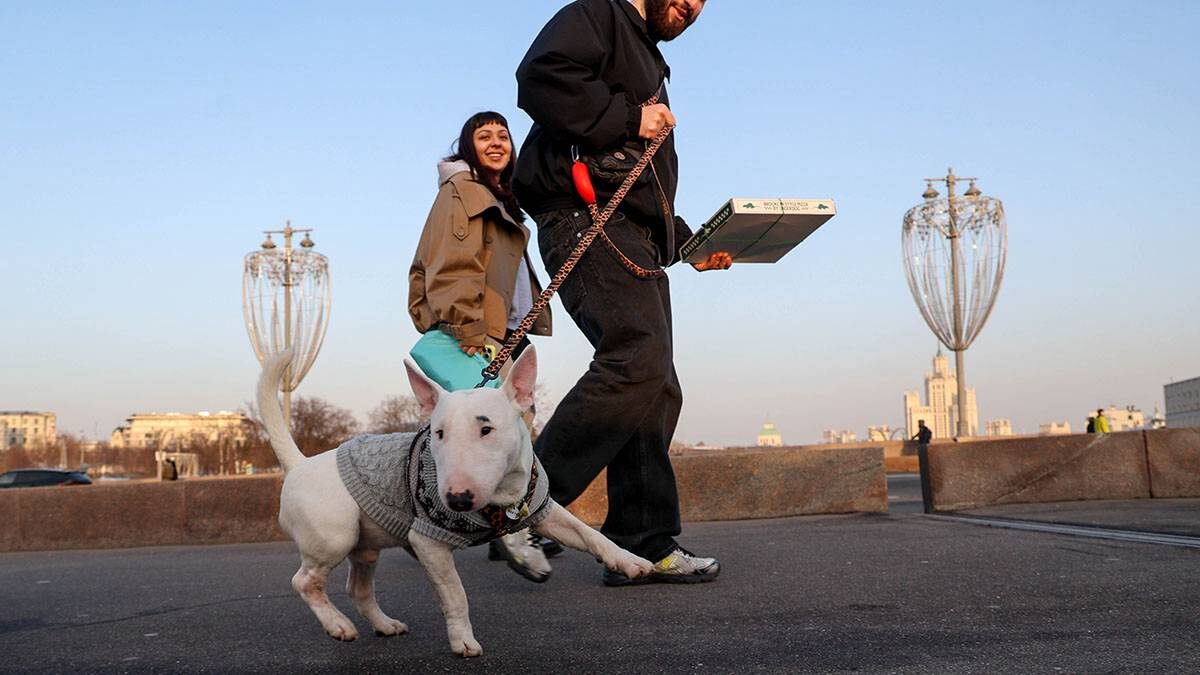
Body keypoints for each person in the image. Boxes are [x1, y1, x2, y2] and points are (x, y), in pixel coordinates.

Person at [514, 0, 730, 587]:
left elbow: (639, 186)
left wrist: (687, 243)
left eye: (704, 4)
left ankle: (644, 540)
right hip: (585, 218)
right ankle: (520, 505)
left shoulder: (646, 55)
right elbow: (540, 75)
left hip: (626, 230)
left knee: (654, 381)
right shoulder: (598, 14)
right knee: (636, 355)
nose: (692, 7)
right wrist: (631, 118)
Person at [407, 111, 559, 581]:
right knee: (498, 434)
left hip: (501, 331)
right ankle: (515, 535)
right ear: (468, 146)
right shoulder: (465, 191)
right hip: (478, 333)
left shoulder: (496, 195)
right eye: (483, 135)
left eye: (502, 135)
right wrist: (469, 329)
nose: (496, 142)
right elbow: (453, 263)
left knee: (489, 435)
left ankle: (492, 527)